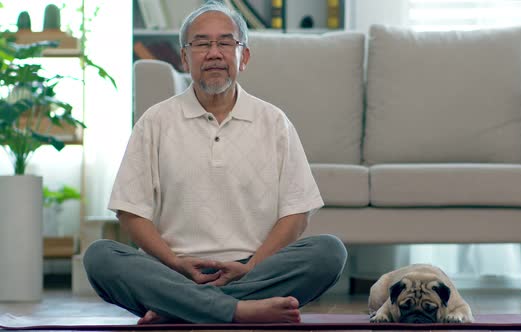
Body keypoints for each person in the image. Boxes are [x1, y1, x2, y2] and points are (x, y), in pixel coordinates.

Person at [83, 1, 347, 325]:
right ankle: (237, 312)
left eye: (225, 42)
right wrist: (176, 265)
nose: (214, 53)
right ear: (183, 57)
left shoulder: (274, 122)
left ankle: (179, 310)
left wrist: (251, 267)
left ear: (244, 56)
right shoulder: (155, 121)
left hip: (254, 270)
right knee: (100, 257)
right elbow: (130, 211)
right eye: (201, 43)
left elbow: (296, 213)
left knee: (330, 253)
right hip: (174, 270)